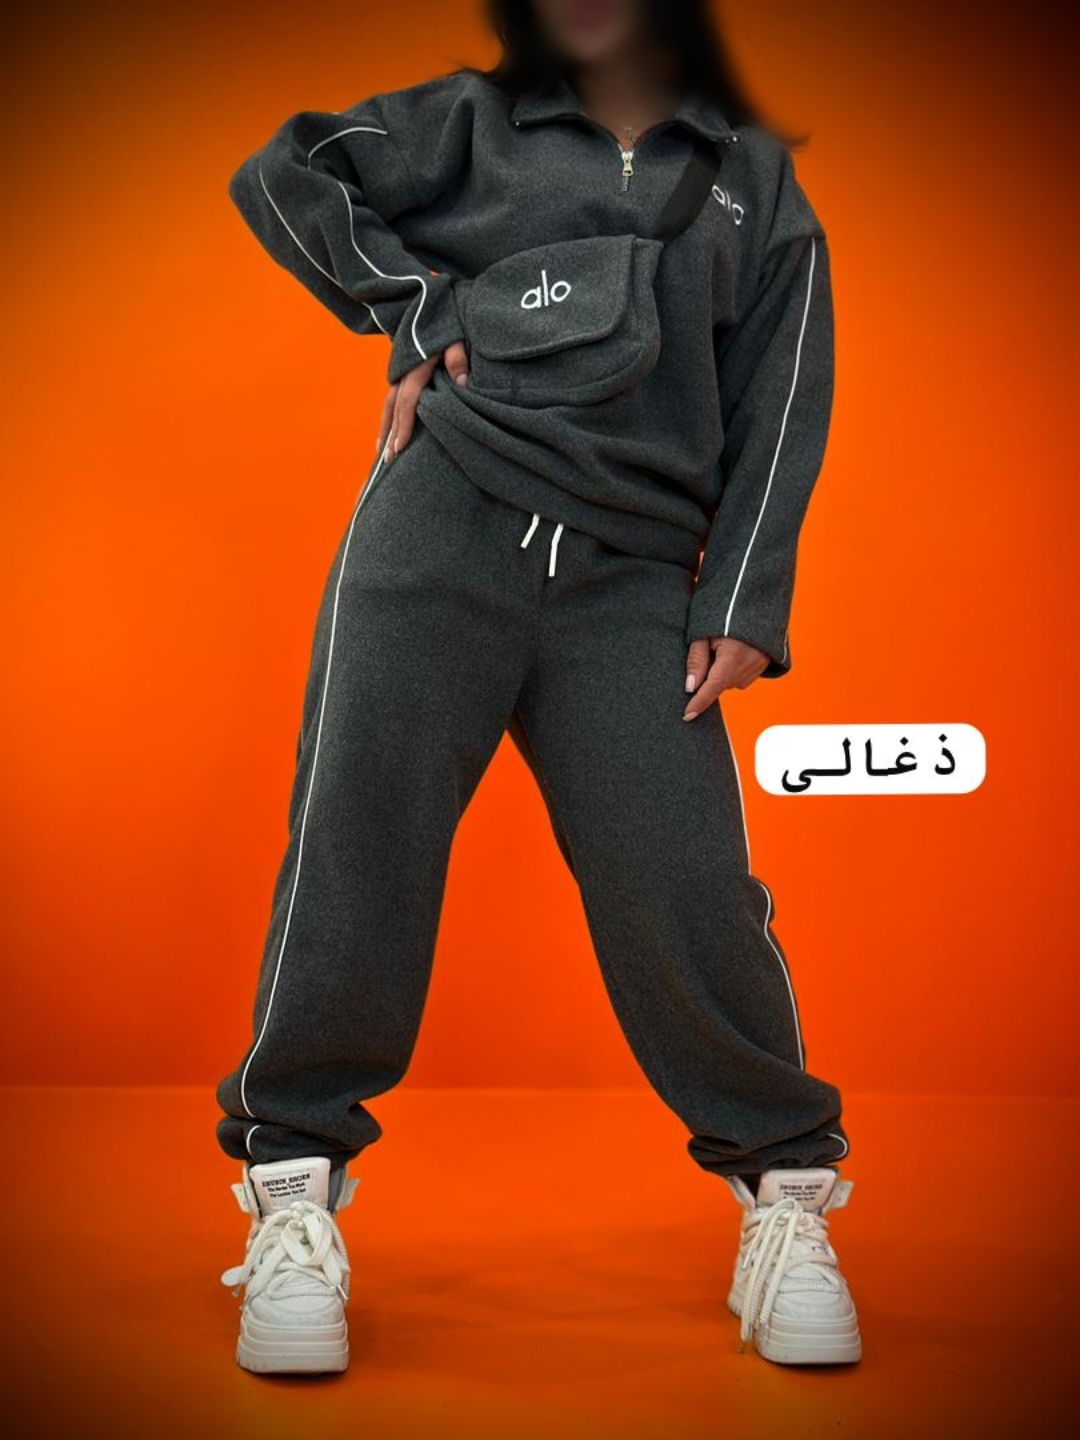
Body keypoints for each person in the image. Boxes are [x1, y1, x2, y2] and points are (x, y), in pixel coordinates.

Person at [214, 0, 861, 1376]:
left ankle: (787, 1199)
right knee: (356, 854)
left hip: (635, 579)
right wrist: (418, 311)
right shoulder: (464, 122)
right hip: (437, 531)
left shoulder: (752, 178)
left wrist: (745, 603)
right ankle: (290, 1195)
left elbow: (784, 391)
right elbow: (282, 173)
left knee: (682, 879)